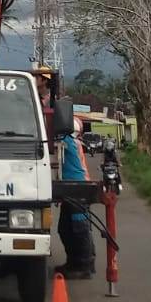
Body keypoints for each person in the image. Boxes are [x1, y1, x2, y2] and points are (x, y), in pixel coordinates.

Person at [56, 118, 96, 279]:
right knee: (65, 229)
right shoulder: (72, 141)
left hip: (77, 189)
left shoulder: (66, 141)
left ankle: (85, 265)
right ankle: (74, 262)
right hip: (70, 187)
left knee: (80, 228)